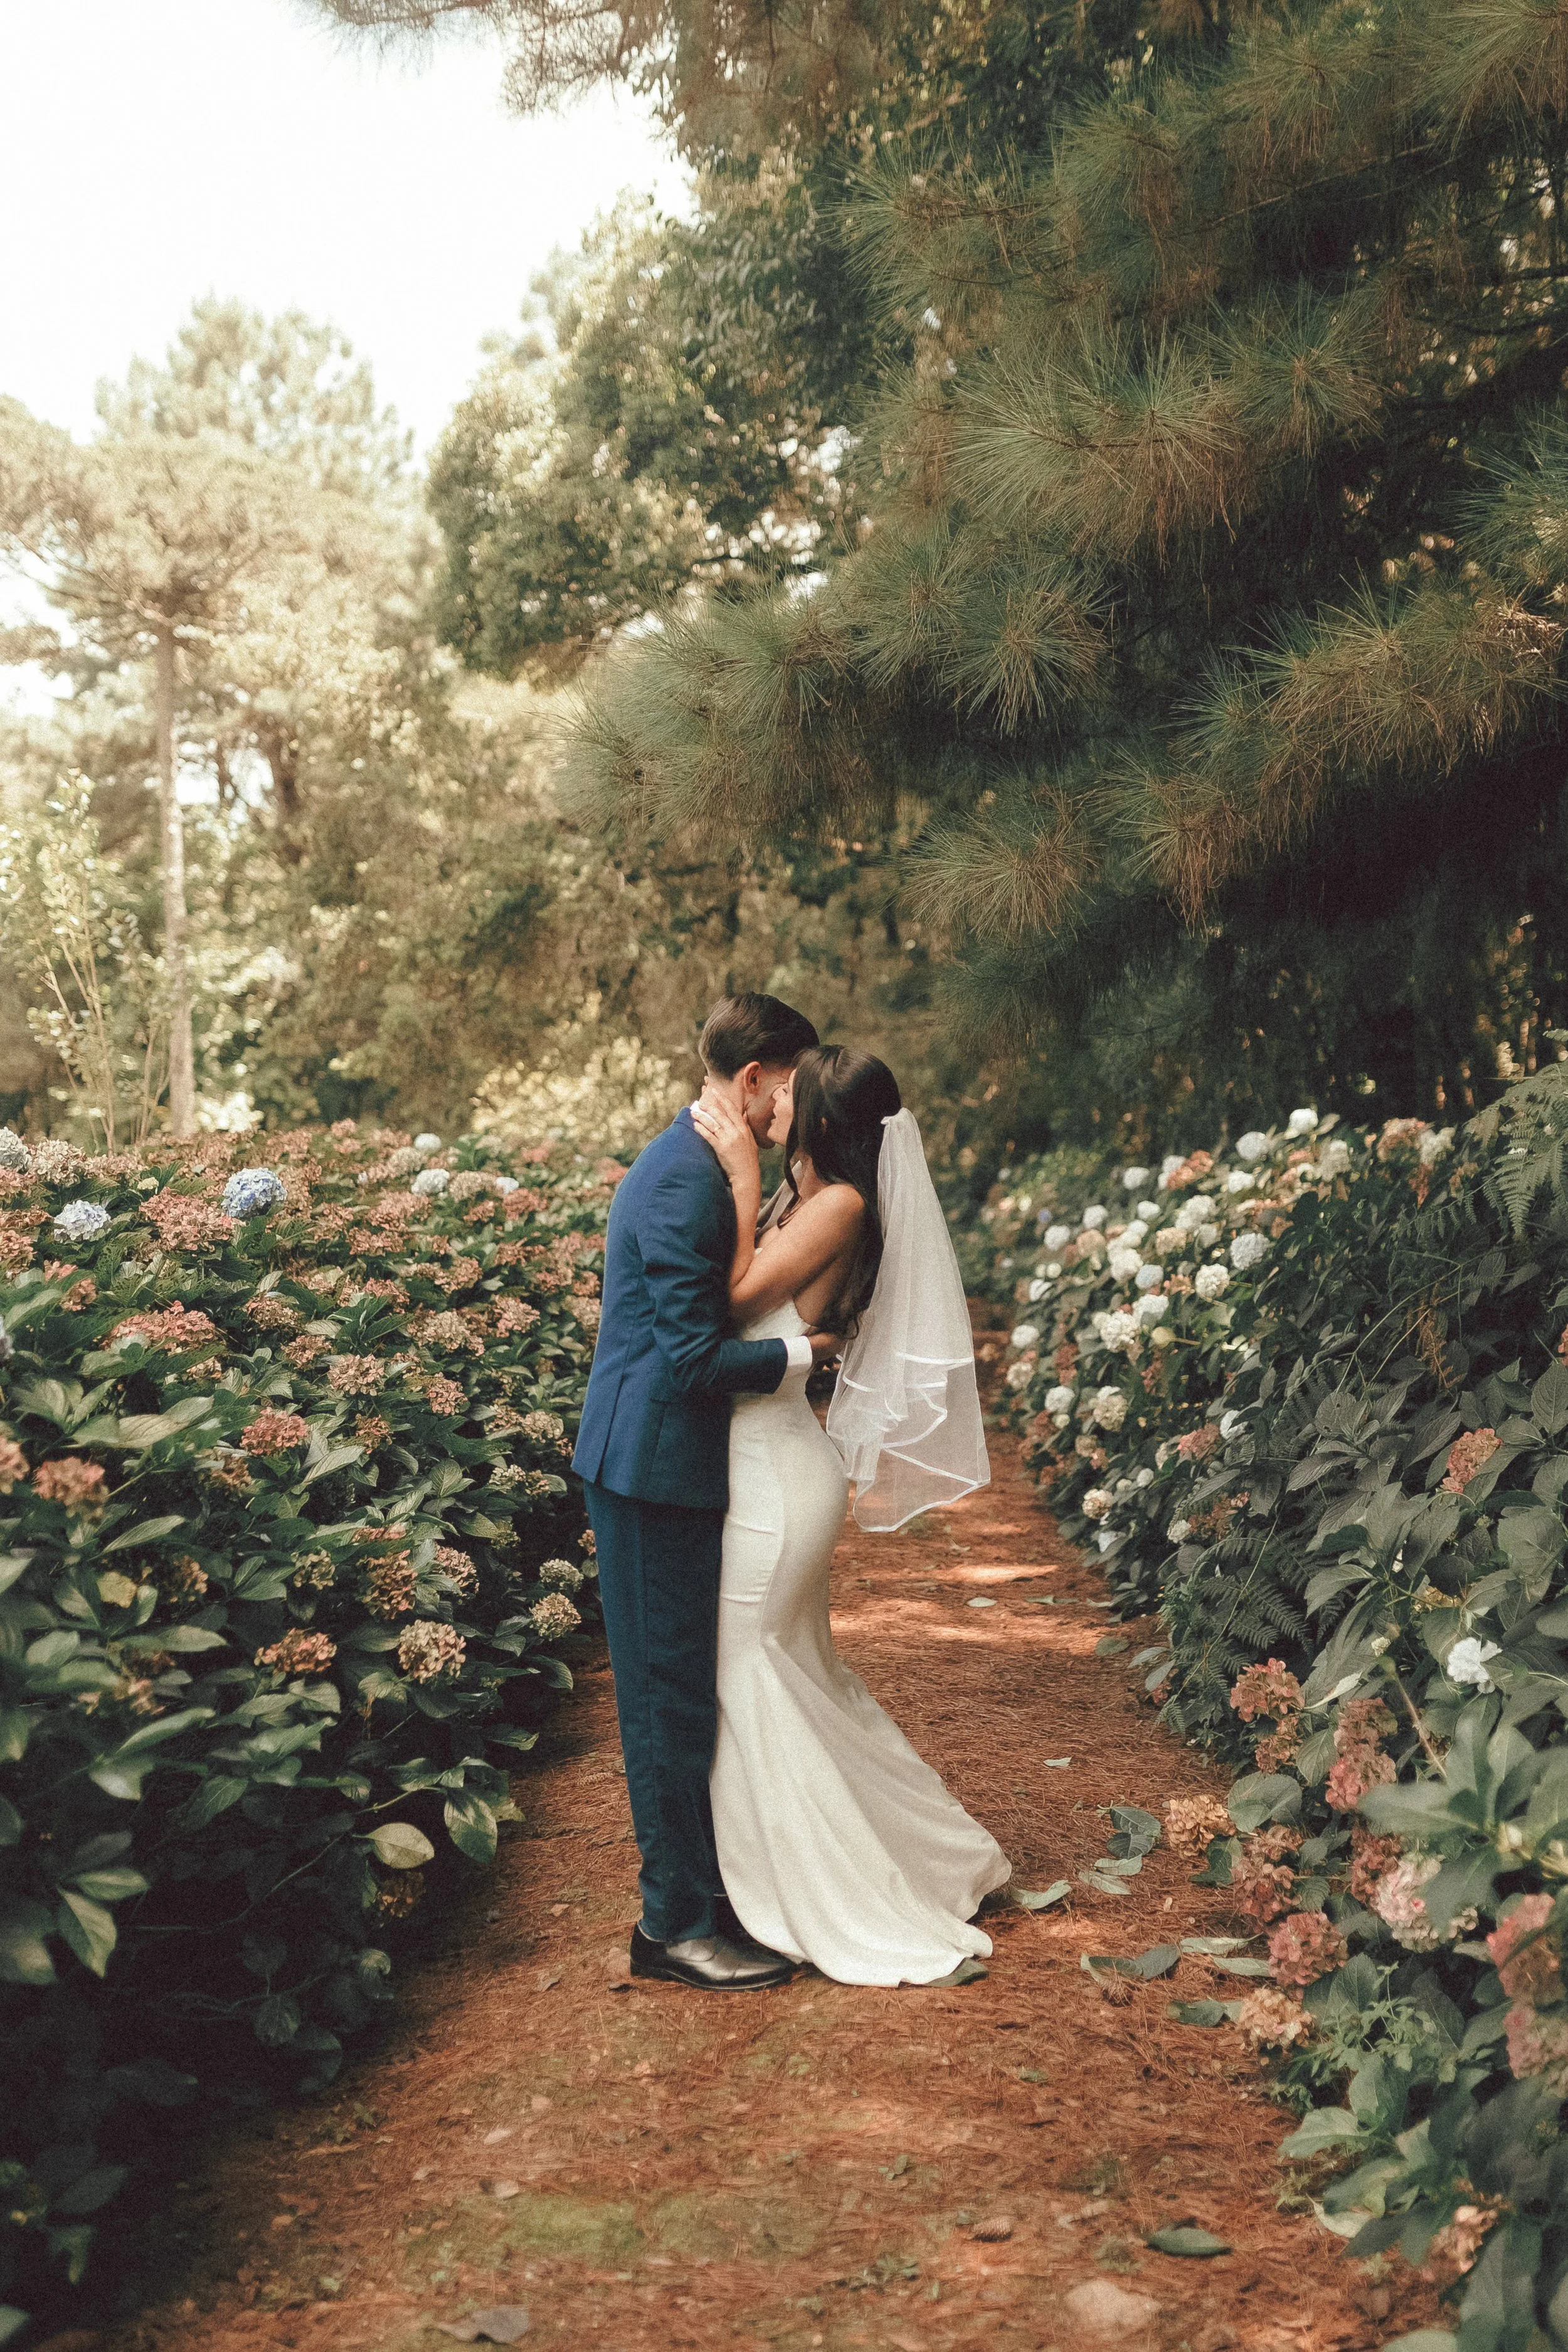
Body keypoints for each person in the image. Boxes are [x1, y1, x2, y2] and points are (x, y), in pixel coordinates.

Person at [691, 1044, 1009, 1986]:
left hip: (777, 1472)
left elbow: (732, 1299)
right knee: (797, 1675)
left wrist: (742, 1176)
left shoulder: (840, 1203)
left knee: (749, 1666)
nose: (775, 1097)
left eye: (794, 1091)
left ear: (823, 1118)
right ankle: (929, 1851)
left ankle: (822, 1890)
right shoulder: (817, 1195)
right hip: (768, 1459)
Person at [572, 992, 837, 1990]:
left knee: (687, 1694)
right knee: (664, 1700)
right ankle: (673, 1926)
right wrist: (807, 1353)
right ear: (757, 1079)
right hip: (650, 1469)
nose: (801, 1104)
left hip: (673, 1463)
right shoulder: (686, 1181)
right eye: (797, 1082)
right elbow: (690, 1360)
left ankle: (706, 1899)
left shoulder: (710, 1165)